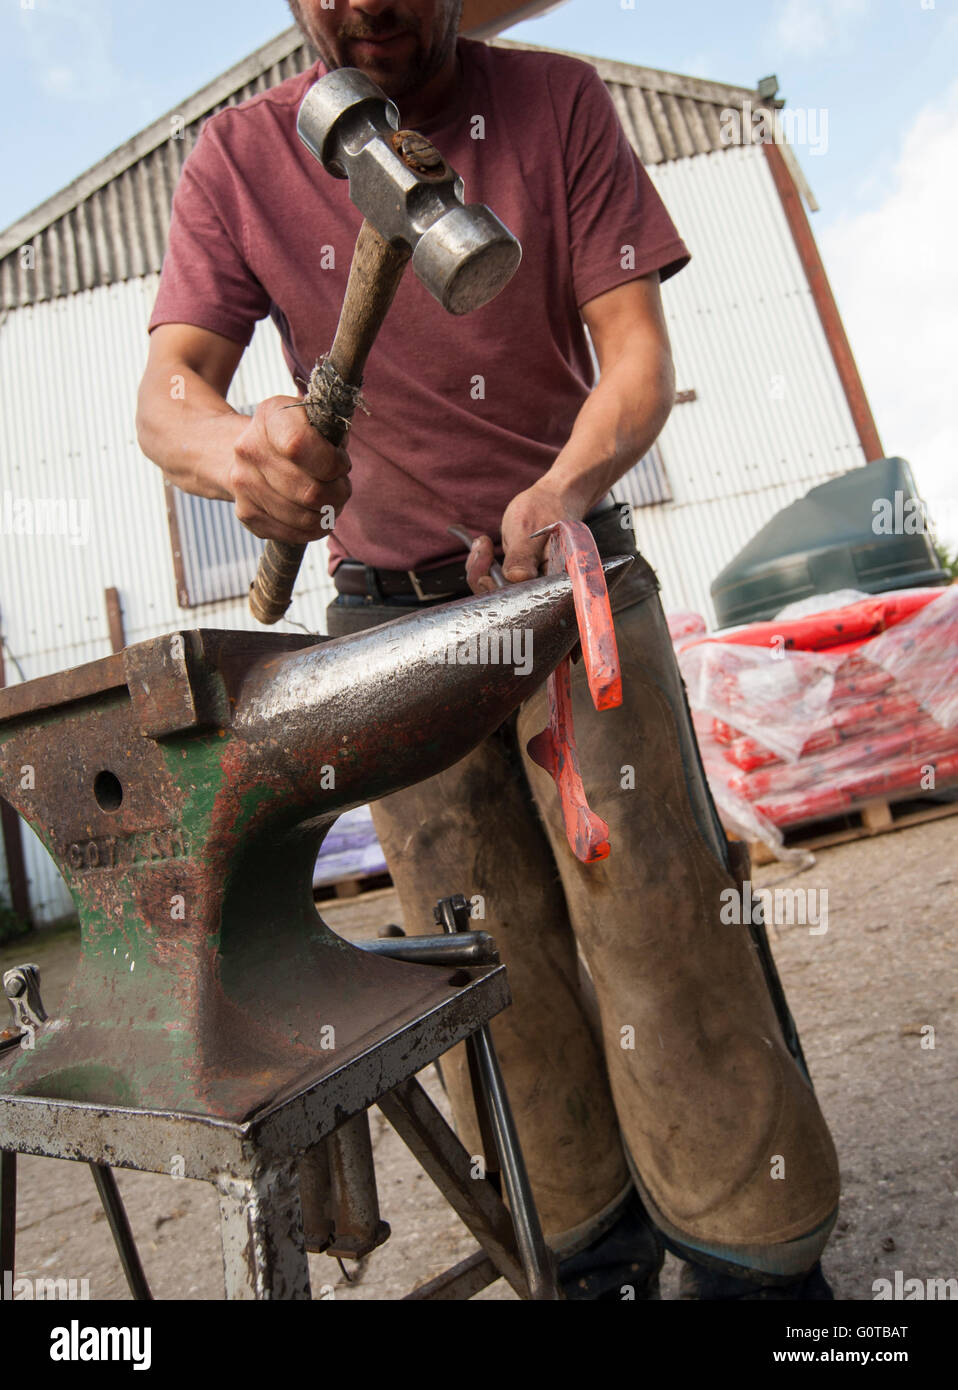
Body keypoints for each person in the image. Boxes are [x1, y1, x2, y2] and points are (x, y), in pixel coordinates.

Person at [137, 0, 840, 1300]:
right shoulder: (237, 161)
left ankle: (752, 1259)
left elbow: (632, 357)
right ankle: (583, 1251)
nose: (365, 9)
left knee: (661, 933)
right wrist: (239, 450)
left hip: (569, 581)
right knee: (485, 961)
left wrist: (566, 480)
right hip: (385, 621)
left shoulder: (555, 102)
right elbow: (167, 391)